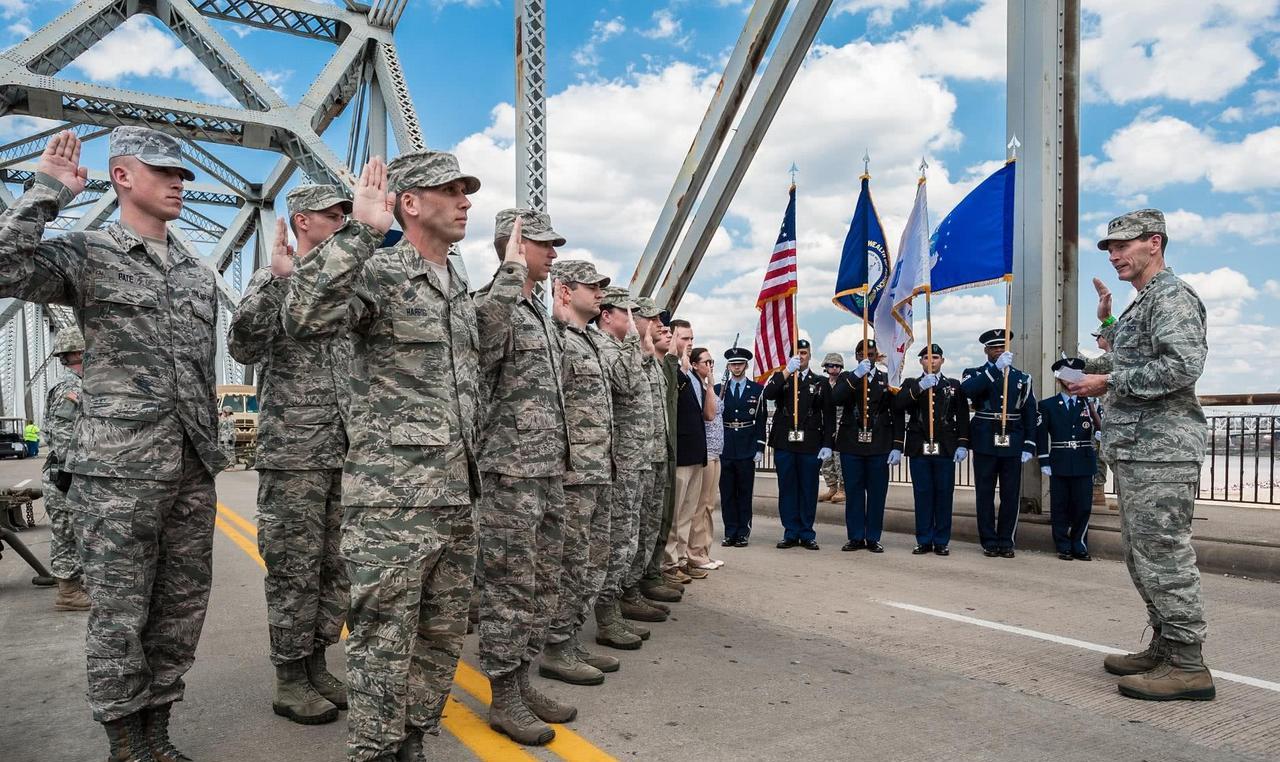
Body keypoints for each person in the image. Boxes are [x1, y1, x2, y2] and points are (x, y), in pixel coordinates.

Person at [0, 126, 229, 760]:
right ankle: (125, 743)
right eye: (163, 172)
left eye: (183, 173)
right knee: (120, 615)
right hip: (120, 470)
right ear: (123, 177)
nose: (179, 182)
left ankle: (158, 735)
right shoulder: (90, 253)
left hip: (189, 466)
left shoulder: (196, 274)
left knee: (179, 610)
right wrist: (46, 193)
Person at [283, 153, 481, 761]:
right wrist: (360, 234)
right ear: (410, 203)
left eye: (466, 191)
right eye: (449, 191)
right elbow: (305, 317)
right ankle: (373, 750)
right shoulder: (379, 270)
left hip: (454, 495)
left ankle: (413, 741)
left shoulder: (459, 284)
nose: (464, 201)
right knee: (381, 640)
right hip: (392, 500)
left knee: (440, 637)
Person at [1068, 208, 1214, 702]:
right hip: (1137, 449)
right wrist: (1083, 365)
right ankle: (1166, 647)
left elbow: (1182, 366)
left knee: (1164, 557)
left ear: (1155, 242)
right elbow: (1130, 358)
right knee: (1142, 557)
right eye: (1109, 248)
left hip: (1162, 451)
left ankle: (1189, 665)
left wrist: (1106, 380)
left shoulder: (1171, 297)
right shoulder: (1144, 300)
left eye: (1122, 245)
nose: (1113, 255)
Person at [228, 184, 355, 726]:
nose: (343, 224)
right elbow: (242, 346)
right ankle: (289, 674)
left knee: (337, 569)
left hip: (347, 450)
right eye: (333, 216)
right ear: (302, 222)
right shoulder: (274, 278)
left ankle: (317, 660)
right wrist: (277, 285)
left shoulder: (349, 286)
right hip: (296, 452)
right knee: (294, 569)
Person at [473, 207, 577, 746]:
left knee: (542, 583)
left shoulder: (536, 311)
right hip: (509, 473)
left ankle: (523, 676)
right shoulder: (496, 304)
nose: (553, 253)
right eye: (543, 244)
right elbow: (481, 353)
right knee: (509, 587)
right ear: (513, 245)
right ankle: (504, 695)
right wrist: (509, 278)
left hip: (546, 471)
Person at [540, 259, 614, 688]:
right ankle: (556, 647)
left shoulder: (587, 341)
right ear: (565, 291)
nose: (599, 293)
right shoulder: (560, 341)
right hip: (573, 474)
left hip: (597, 468)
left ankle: (569, 638)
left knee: (590, 560)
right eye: (591, 286)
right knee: (569, 563)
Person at [594, 287, 667, 646]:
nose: (643, 324)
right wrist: (637, 348)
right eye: (629, 314)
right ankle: (607, 615)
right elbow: (623, 386)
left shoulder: (636, 352)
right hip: (620, 460)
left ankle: (621, 601)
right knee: (618, 538)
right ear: (607, 315)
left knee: (634, 534)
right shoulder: (606, 347)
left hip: (641, 457)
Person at [961, 329, 1037, 558]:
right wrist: (994, 371)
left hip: (1012, 440)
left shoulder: (1022, 378)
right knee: (984, 494)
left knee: (1010, 494)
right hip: (985, 440)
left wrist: (1030, 443)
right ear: (986, 351)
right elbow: (968, 391)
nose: (999, 351)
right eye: (995, 348)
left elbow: (1030, 412)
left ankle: (1006, 540)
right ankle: (988, 540)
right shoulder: (974, 373)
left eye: (1002, 347)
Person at [626, 298, 682, 606]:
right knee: (629, 532)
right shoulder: (629, 357)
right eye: (652, 318)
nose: (660, 324)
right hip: (632, 458)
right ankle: (626, 593)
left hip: (654, 455)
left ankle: (641, 581)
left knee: (648, 526)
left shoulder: (653, 362)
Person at [895, 345, 969, 556]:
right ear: (921, 362)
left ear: (942, 361)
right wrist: (919, 388)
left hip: (945, 448)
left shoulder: (953, 385)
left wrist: (963, 444)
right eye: (926, 358)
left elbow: (963, 416)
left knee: (944, 495)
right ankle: (924, 539)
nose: (931, 361)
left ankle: (942, 540)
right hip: (919, 448)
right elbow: (899, 405)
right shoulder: (911, 384)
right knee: (923, 495)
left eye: (935, 357)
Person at [831, 339, 903, 553]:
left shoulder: (885, 379)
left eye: (870, 355)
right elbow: (837, 398)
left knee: (877, 493)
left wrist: (897, 445)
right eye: (862, 354)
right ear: (856, 357)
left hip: (879, 444)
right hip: (852, 444)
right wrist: (856, 375)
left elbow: (897, 413)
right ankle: (855, 536)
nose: (866, 358)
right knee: (853, 493)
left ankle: (872, 537)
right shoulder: (847, 378)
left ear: (876, 357)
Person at [763, 338, 834, 551]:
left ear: (810, 355)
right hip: (785, 442)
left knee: (808, 488)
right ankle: (790, 532)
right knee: (787, 489)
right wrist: (786, 372)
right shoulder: (782, 378)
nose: (801, 356)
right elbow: (768, 394)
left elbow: (829, 415)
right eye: (797, 353)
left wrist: (828, 443)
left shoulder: (819, 382)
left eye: (804, 353)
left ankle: (807, 532)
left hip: (810, 443)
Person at [662, 324, 715, 584]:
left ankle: (682, 559)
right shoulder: (671, 369)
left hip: (696, 451)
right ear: (673, 339)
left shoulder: (693, 375)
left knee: (687, 513)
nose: (690, 342)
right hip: (681, 453)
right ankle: (669, 563)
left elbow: (706, 415)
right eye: (685, 337)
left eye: (692, 337)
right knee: (675, 513)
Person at [42, 326, 89, 612]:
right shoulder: (71, 388)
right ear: (78, 352)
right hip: (63, 474)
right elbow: (61, 432)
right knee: (66, 533)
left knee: (73, 531)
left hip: (65, 471)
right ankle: (68, 592)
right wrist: (69, 471)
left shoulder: (74, 383)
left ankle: (74, 585)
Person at [1036, 358, 1098, 562]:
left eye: (1076, 375)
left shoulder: (1090, 404)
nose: (1072, 381)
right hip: (1060, 459)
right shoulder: (1048, 405)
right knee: (1060, 506)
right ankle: (1063, 544)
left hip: (1083, 459)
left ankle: (1079, 543)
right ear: (1059, 379)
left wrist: (1100, 432)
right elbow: (1041, 435)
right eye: (1067, 376)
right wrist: (1044, 460)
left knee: (1082, 506)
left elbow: (1101, 428)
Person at [715, 347, 766, 547]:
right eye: (733, 364)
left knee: (744, 493)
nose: (736, 367)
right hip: (726, 446)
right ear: (728, 366)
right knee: (727, 493)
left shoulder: (757, 390)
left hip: (746, 446)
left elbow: (760, 420)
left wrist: (760, 447)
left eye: (740, 364)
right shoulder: (720, 389)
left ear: (746, 365)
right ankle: (730, 532)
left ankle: (743, 532)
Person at [688, 347, 725, 571]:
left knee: (710, 506)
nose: (710, 366)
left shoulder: (706, 385)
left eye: (712, 361)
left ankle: (704, 551)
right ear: (695, 365)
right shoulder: (699, 386)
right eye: (706, 362)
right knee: (700, 506)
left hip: (717, 451)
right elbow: (708, 413)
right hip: (705, 451)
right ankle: (695, 553)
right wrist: (711, 385)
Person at [1091, 331, 1114, 510]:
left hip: (1111, 417)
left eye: (1098, 336)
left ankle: (1098, 492)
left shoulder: (1111, 359)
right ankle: (1098, 493)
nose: (1097, 340)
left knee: (1103, 455)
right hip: (1109, 417)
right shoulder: (1111, 358)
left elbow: (1089, 365)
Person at [818, 353, 846, 504]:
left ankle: (842, 488)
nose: (834, 368)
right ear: (826, 367)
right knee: (826, 459)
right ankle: (832, 486)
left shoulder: (844, 383)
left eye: (837, 365)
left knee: (839, 457)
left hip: (841, 424)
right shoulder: (822, 384)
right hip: (826, 425)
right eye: (831, 365)